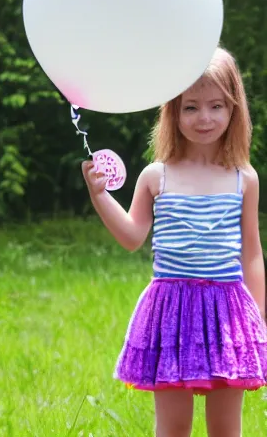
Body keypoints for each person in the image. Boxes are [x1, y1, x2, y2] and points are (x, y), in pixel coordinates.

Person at [81, 46, 267, 437]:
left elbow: (251, 251)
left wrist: (259, 315)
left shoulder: (243, 178)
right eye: (191, 107)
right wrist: (100, 195)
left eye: (217, 105)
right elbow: (132, 237)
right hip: (171, 313)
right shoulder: (156, 176)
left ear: (234, 110)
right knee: (172, 427)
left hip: (228, 312)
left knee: (225, 427)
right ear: (172, 111)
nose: (205, 118)